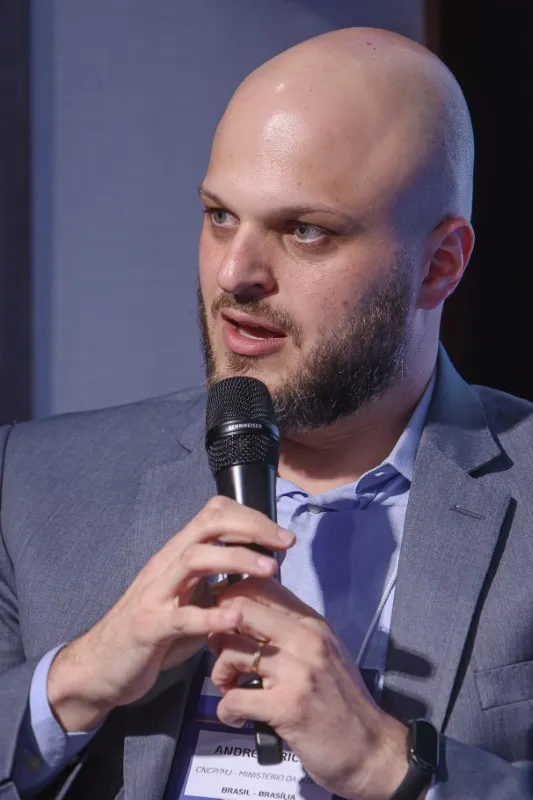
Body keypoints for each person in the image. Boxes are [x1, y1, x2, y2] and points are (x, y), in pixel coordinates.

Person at [1, 24, 532, 800]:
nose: (235, 272)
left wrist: (390, 765)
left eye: (305, 231)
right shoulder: (34, 485)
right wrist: (73, 682)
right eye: (220, 215)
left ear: (438, 264)